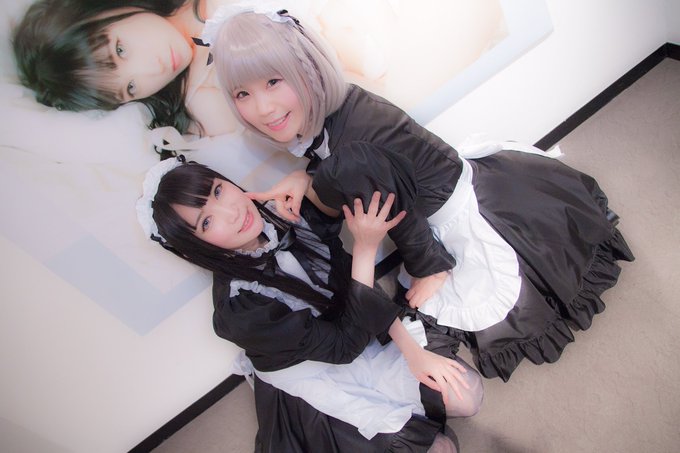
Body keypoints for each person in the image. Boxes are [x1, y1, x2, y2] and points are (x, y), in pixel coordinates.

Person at [202, 8, 635, 382]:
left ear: (307, 69)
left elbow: (398, 207)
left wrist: (430, 268)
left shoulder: (355, 136)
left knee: (477, 303)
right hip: (437, 194)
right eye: (243, 94)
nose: (263, 108)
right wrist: (304, 177)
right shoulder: (340, 114)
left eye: (273, 81)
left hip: (451, 205)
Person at [137, 156, 484, 452]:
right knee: (440, 448)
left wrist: (412, 350)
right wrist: (365, 248)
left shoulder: (285, 214)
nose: (231, 212)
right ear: (194, 248)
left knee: (469, 396)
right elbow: (343, 347)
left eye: (217, 191)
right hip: (316, 371)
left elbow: (350, 281)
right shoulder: (240, 311)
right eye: (206, 221)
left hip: (357, 327)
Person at [11, 0, 241, 138]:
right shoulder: (205, 100)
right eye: (131, 87)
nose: (154, 69)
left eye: (120, 50)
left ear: (107, 9)